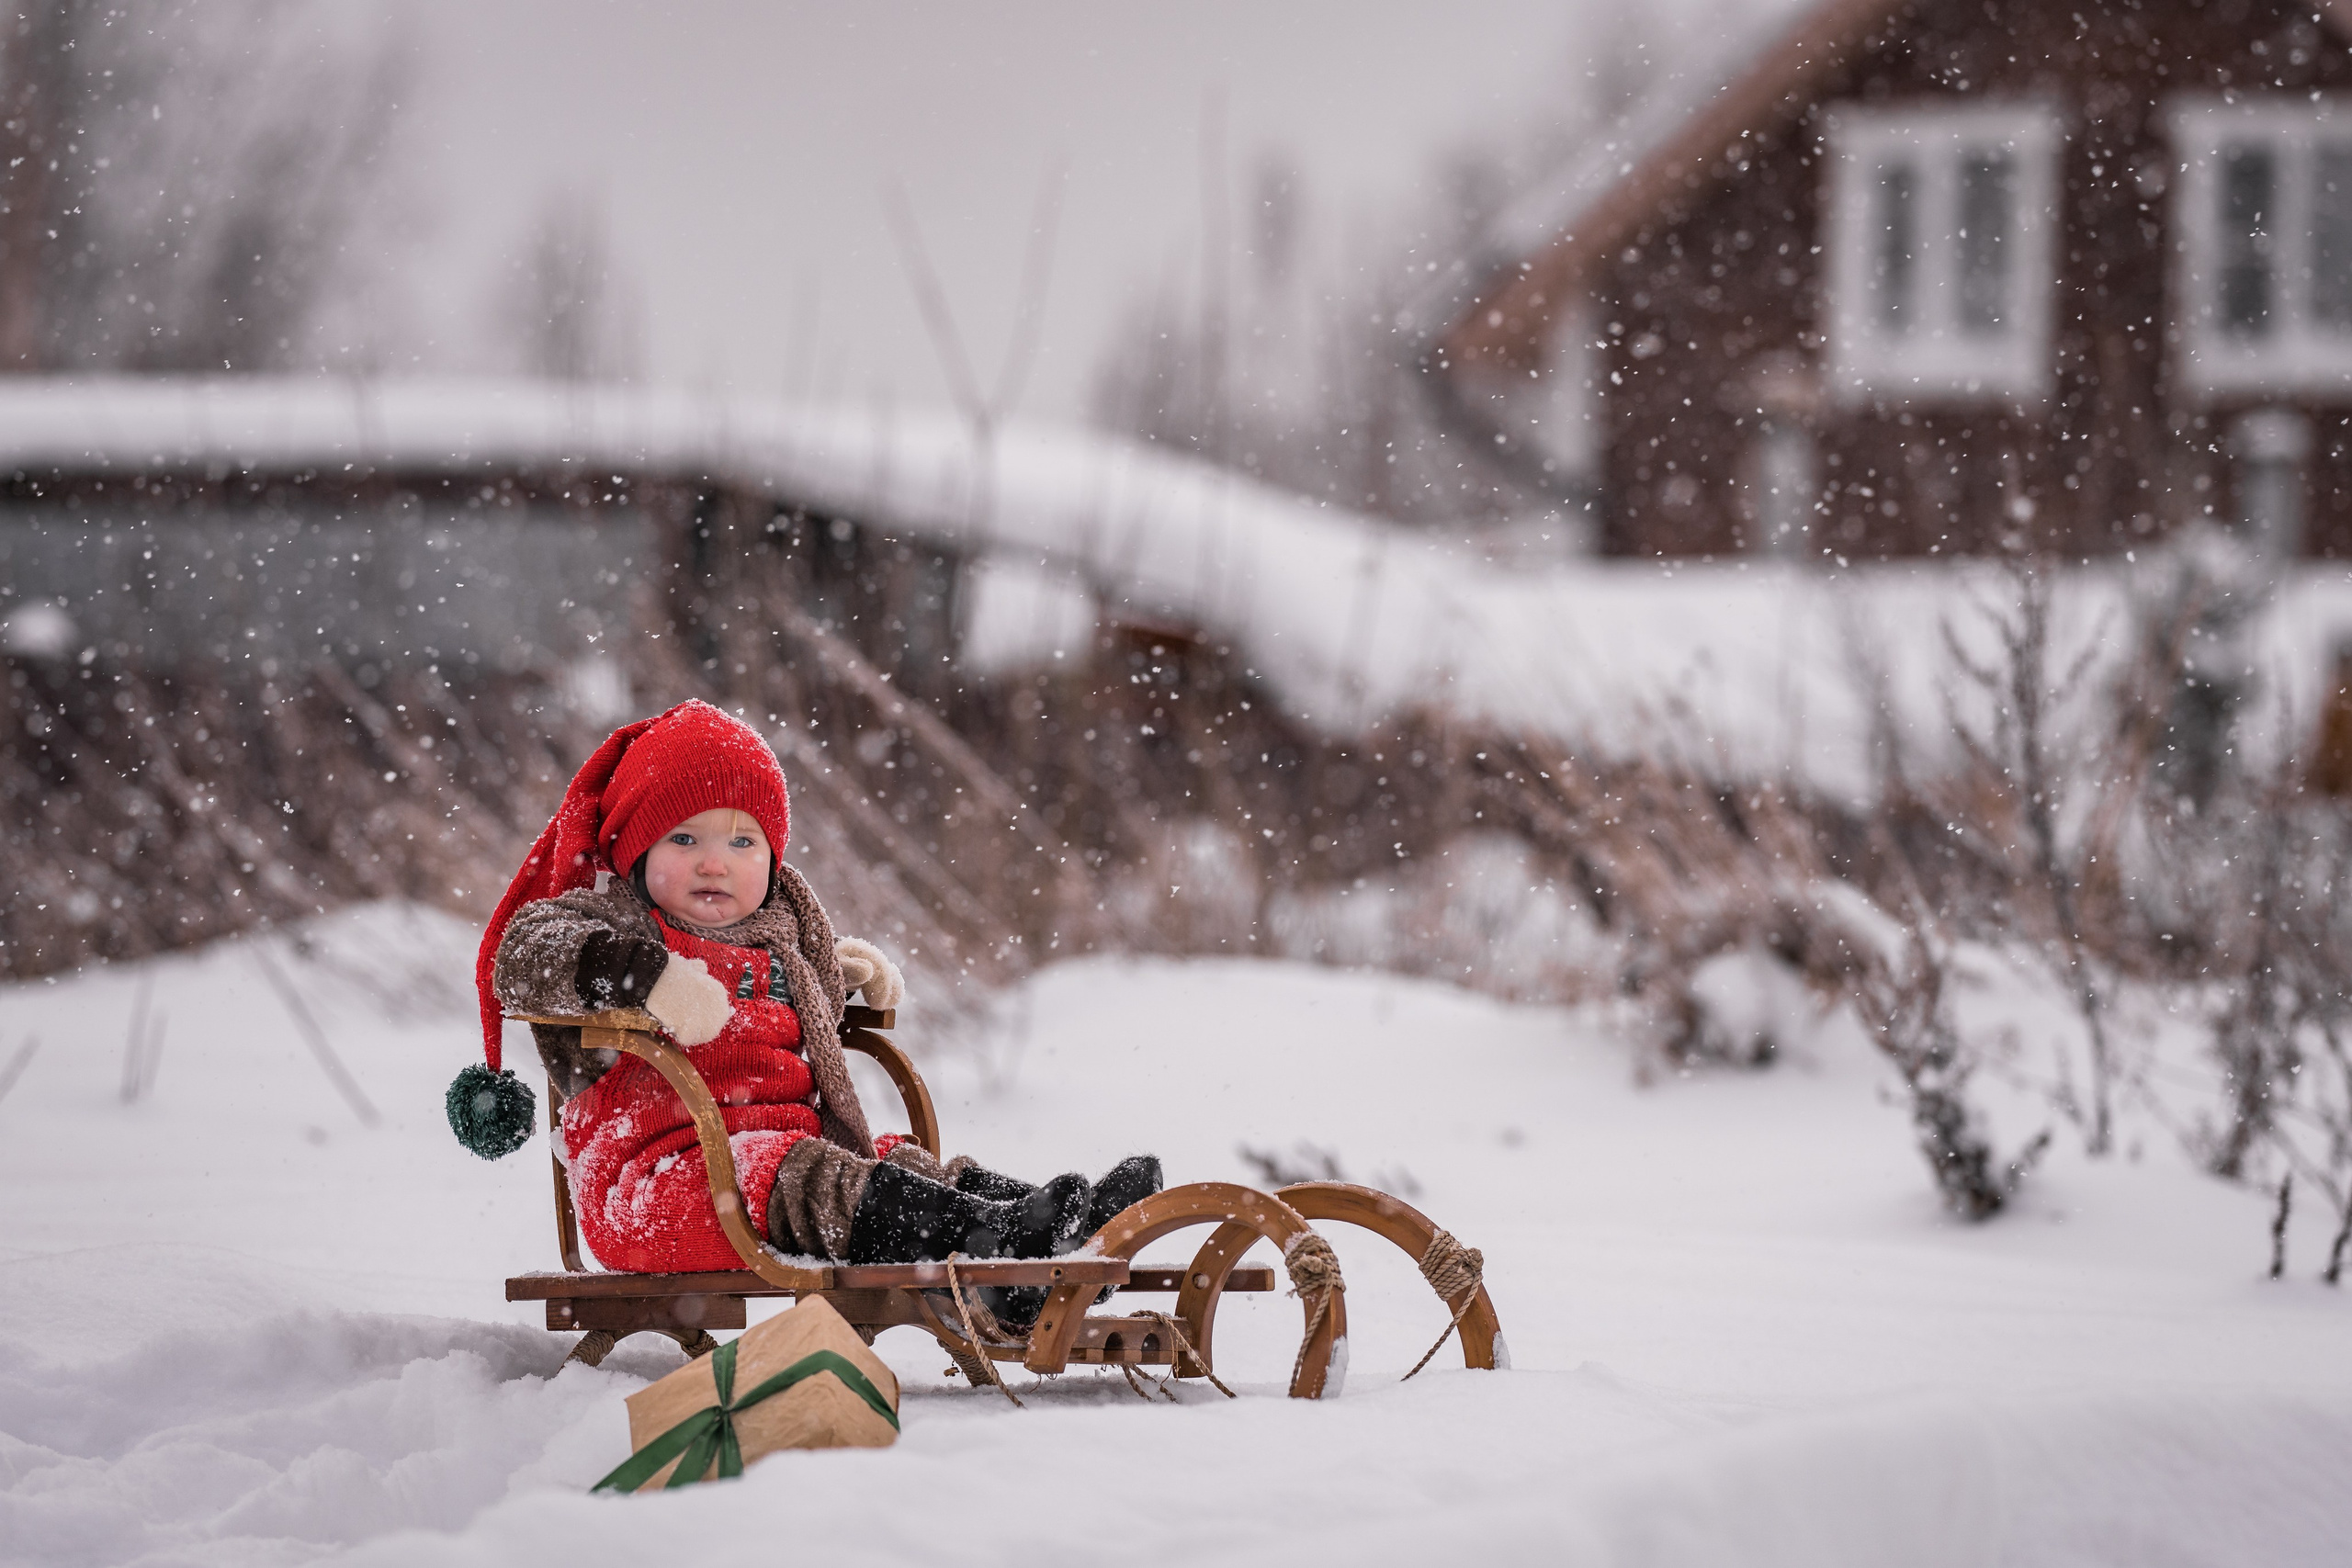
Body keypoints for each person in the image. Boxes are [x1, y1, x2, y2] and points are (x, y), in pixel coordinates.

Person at [450, 699, 1158, 1319]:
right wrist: (639, 976)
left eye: (741, 841)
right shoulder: (622, 922)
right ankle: (999, 1252)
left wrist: (836, 976)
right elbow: (524, 951)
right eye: (684, 838)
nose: (714, 863)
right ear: (636, 849)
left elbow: (768, 999)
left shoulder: (780, 932)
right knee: (809, 1175)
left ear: (772, 854)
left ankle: (1051, 1230)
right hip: (657, 1187)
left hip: (771, 1168)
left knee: (889, 1162)